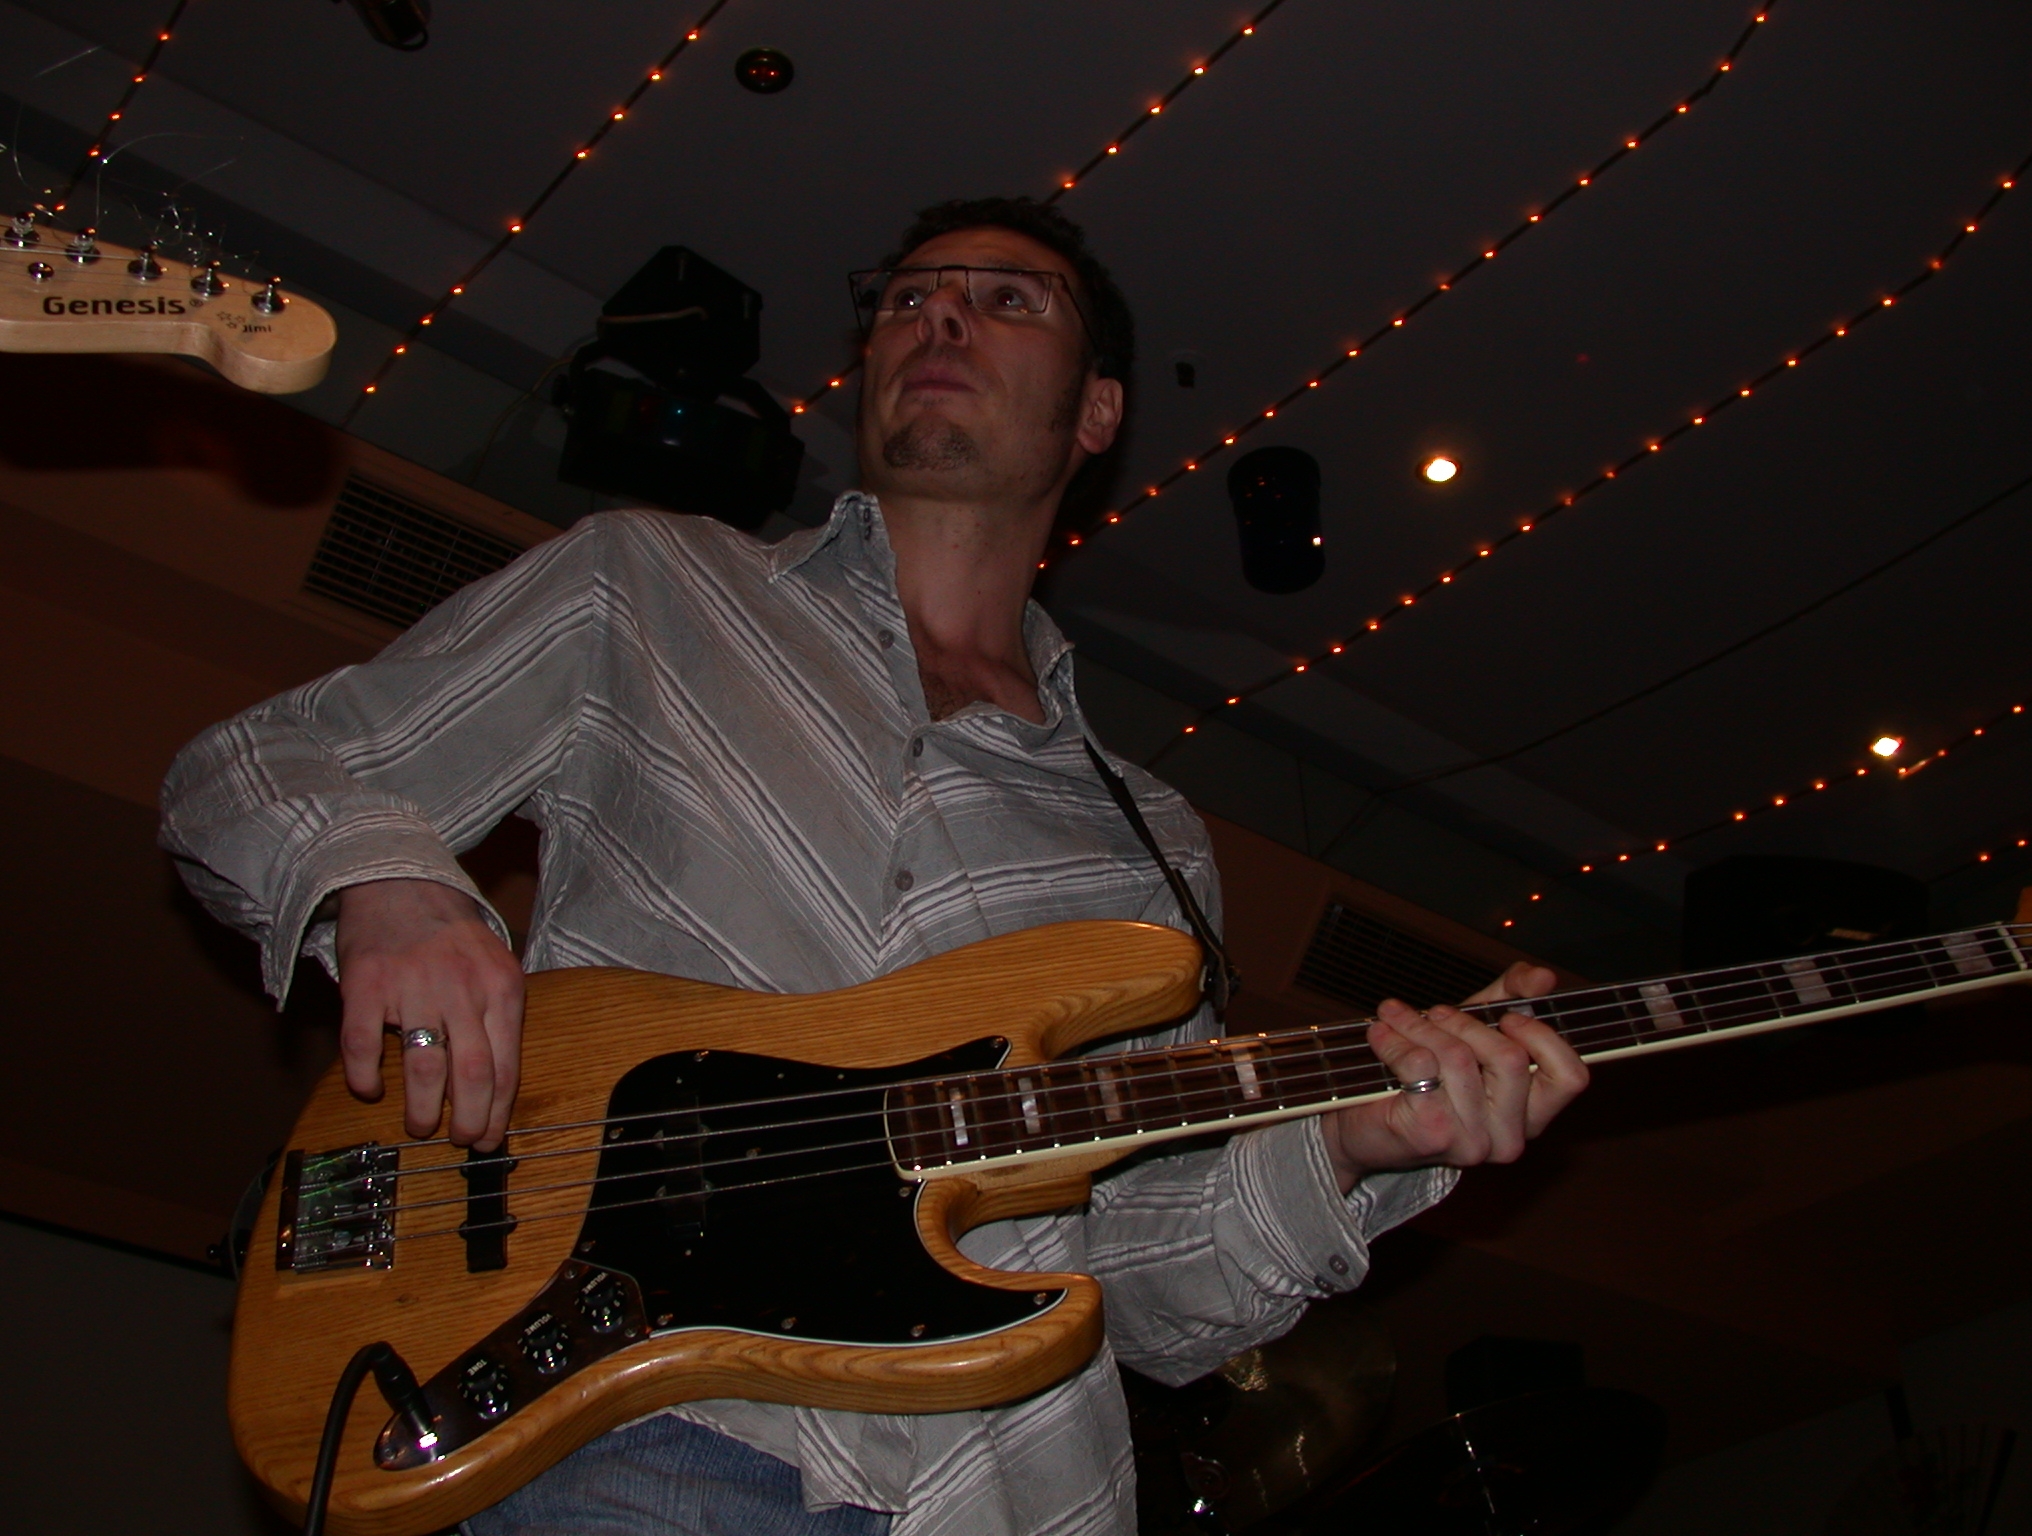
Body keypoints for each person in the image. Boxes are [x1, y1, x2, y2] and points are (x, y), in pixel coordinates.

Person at [161, 197, 1587, 1536]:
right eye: (909, 299)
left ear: (1098, 413)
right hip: (633, 1436)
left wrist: (1351, 1147)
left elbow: (1146, 1289)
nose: (941, 319)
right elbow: (254, 767)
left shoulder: (1152, 849)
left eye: (1008, 301)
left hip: (1001, 1493)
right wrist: (390, 884)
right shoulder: (646, 585)